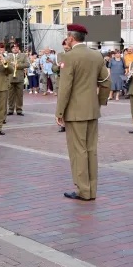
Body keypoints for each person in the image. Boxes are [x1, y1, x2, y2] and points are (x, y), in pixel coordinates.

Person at [55, 23, 111, 201]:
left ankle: (83, 190)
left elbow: (65, 88)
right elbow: (106, 82)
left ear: (71, 38)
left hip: (75, 111)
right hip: (92, 109)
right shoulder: (96, 55)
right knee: (91, 150)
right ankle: (91, 189)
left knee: (78, 151)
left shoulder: (68, 57)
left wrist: (59, 112)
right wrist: (100, 102)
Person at [53, 40, 71, 132]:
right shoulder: (59, 55)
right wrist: (58, 67)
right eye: (64, 45)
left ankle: (71, 123)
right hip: (61, 80)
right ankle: (63, 124)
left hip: (72, 81)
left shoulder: (74, 54)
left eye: (67, 45)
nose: (66, 47)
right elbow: (53, 68)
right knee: (61, 102)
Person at [6, 43, 29, 116]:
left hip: (19, 77)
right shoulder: (8, 56)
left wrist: (18, 65)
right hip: (10, 77)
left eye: (16, 48)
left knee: (19, 95)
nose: (15, 49)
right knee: (10, 95)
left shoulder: (23, 55)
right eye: (13, 48)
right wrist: (11, 65)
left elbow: (27, 64)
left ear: (18, 48)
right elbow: (5, 64)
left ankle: (19, 109)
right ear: (11, 49)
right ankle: (10, 109)